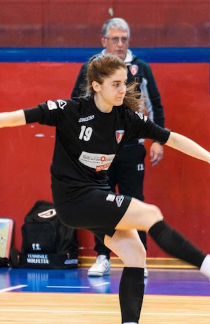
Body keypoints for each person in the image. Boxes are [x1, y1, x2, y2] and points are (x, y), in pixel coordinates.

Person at [0, 53, 210, 324]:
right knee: (150, 214)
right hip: (73, 200)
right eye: (116, 84)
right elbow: (13, 118)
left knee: (135, 253)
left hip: (95, 194)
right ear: (97, 85)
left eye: (125, 83)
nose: (122, 90)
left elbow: (170, 138)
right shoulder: (69, 110)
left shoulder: (126, 118)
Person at [71, 18, 165, 278]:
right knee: (99, 202)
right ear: (104, 41)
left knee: (135, 204)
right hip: (98, 149)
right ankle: (103, 257)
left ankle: (138, 261)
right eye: (115, 39)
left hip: (131, 148)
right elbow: (75, 106)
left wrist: (158, 140)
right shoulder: (91, 68)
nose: (120, 44)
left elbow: (155, 104)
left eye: (124, 39)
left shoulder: (140, 68)